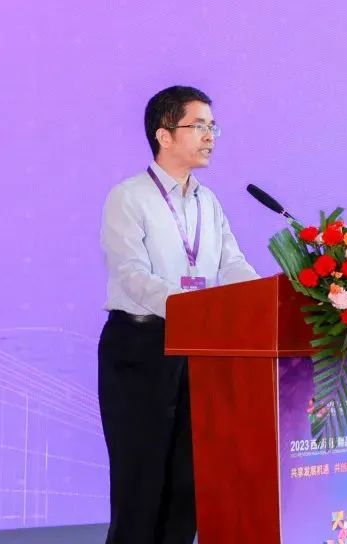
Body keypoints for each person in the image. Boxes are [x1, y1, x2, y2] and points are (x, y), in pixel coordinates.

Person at [97, 85, 259, 544]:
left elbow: (232, 265)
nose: (210, 136)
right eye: (198, 126)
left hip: (200, 350)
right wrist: (191, 308)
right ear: (164, 135)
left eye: (213, 127)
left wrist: (262, 298)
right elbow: (131, 274)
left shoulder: (209, 202)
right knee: (140, 483)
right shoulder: (128, 197)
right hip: (142, 348)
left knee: (188, 483)